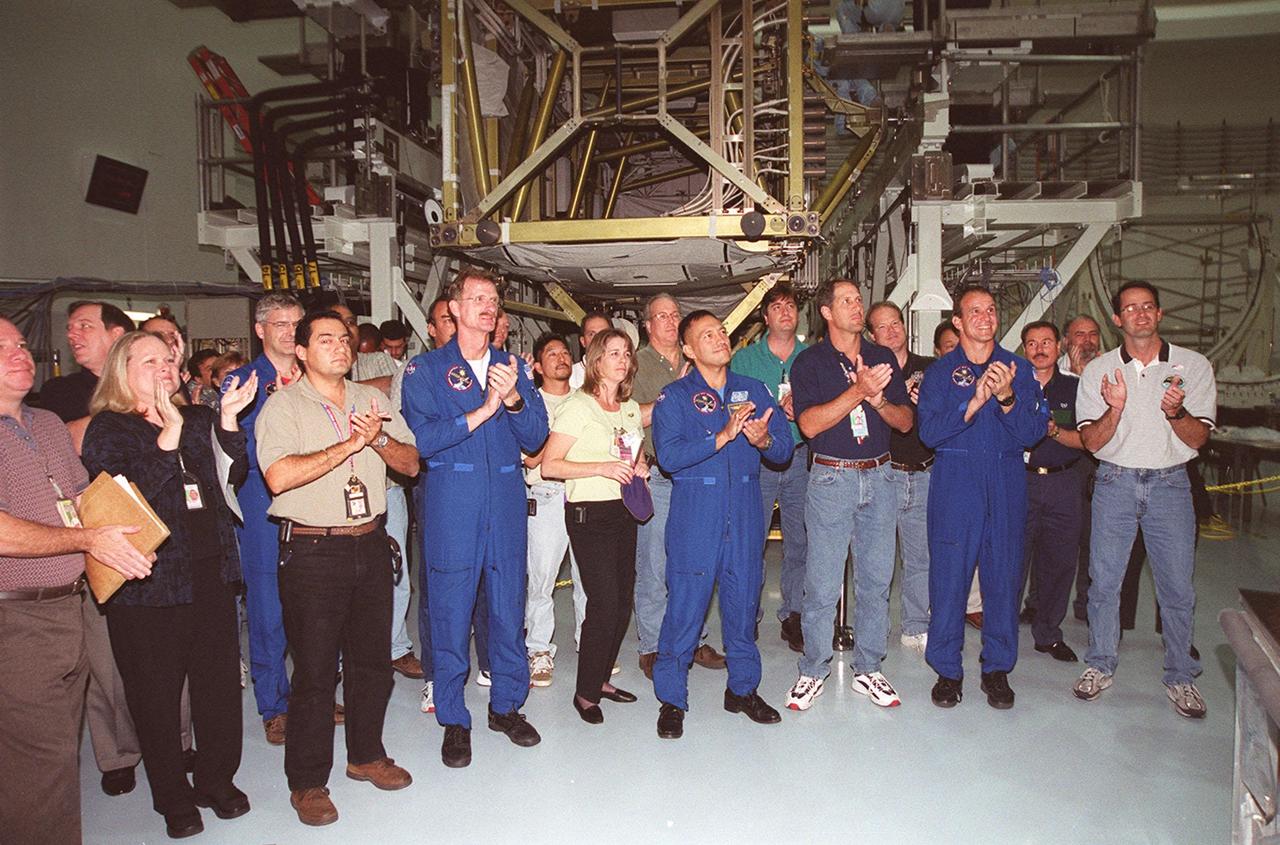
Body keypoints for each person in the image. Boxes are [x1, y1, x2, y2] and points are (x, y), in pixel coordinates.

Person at [82, 330, 257, 838]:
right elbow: (125, 496)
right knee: (155, 696)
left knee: (219, 689)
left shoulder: (198, 416)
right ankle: (171, 796)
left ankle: (217, 780)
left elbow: (234, 475)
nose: (164, 367)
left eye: (168, 359)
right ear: (122, 370)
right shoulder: (109, 428)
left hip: (210, 574)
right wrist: (168, 434)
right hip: (148, 585)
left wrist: (226, 422)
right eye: (150, 360)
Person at [256, 311, 420, 825]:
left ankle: (366, 755)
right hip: (312, 551)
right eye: (324, 339)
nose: (340, 346)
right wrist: (349, 444)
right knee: (315, 674)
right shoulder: (282, 408)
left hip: (370, 542)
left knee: (372, 664)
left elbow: (411, 463)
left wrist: (376, 440)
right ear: (301, 352)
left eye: (344, 338)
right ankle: (307, 783)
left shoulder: (374, 401)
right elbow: (279, 477)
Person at [0, 317, 154, 845]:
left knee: (51, 752)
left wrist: (132, 531)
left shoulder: (44, 423)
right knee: (43, 761)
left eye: (20, 344)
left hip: (72, 605)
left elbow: (81, 498)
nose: (19, 353)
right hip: (15, 615)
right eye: (2, 348)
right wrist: (89, 542)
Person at [400, 268, 549, 769]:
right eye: (476, 298)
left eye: (493, 300)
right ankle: (453, 718)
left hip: (505, 503)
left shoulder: (513, 368)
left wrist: (511, 398)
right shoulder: (425, 371)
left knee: (509, 607)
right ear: (455, 310)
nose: (487, 306)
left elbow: (535, 438)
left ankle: (507, 706)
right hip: (453, 503)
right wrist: (484, 411)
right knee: (449, 614)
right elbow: (420, 440)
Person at [1071, 281, 1216, 719]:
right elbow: (1092, 442)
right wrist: (1115, 408)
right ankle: (1099, 664)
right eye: (1130, 309)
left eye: (1147, 306)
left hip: (1172, 485)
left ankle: (1180, 675)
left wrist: (1176, 412)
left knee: (1177, 587)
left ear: (1160, 313)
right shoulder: (1099, 372)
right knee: (1105, 581)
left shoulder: (1192, 366)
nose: (1140, 314)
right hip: (1115, 482)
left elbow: (1200, 437)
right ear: (1117, 320)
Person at [651, 310, 791, 738]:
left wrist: (762, 440)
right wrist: (723, 437)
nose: (719, 339)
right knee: (685, 609)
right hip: (697, 512)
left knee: (743, 605)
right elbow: (669, 457)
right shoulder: (674, 397)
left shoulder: (754, 391)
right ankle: (672, 699)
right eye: (707, 335)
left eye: (722, 332)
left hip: (746, 510)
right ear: (689, 349)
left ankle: (743, 689)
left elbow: (782, 449)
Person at [783, 281, 913, 713]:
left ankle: (869, 668)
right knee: (822, 582)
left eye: (859, 300)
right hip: (831, 479)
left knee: (877, 580)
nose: (857, 307)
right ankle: (812, 670)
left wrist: (877, 400)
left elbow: (905, 421)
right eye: (847, 301)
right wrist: (857, 391)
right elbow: (810, 426)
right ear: (826, 312)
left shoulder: (880, 358)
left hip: (880, 476)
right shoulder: (809, 364)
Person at [918, 285, 1047, 710]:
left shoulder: (1018, 369)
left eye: (991, 310)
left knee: (1004, 579)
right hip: (956, 482)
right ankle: (947, 671)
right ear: (957, 321)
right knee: (949, 579)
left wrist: (1007, 397)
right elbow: (929, 433)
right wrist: (972, 403)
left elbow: (1032, 433)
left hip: (1006, 480)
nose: (985, 317)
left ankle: (997, 669)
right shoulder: (940, 373)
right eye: (974, 311)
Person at [35, 300, 144, 797]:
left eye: (84, 325)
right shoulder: (60, 393)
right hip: (93, 529)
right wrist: (123, 412)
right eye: (69, 326)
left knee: (164, 642)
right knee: (103, 655)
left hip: (154, 524)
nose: (72, 334)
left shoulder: (153, 378)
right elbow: (55, 444)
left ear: (117, 333)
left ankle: (179, 738)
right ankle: (117, 754)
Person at [540, 328, 648, 723]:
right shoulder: (577, 406)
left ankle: (602, 677)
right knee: (602, 602)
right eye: (613, 352)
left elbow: (632, 452)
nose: (621, 359)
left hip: (623, 511)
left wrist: (640, 466)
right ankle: (585, 691)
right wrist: (601, 467)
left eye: (626, 353)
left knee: (622, 602)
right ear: (596, 361)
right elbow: (550, 465)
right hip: (589, 513)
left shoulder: (630, 408)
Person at [223, 292, 304, 745]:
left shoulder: (315, 373)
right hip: (262, 501)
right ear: (260, 330)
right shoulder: (243, 382)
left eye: (296, 323)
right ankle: (274, 704)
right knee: (268, 606)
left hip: (314, 497)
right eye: (280, 324)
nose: (290, 333)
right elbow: (241, 451)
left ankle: (313, 693)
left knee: (315, 603)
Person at [633, 293, 725, 679]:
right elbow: (627, 415)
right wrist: (674, 398)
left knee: (693, 562)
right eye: (662, 316)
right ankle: (652, 645)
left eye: (675, 315)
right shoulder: (634, 364)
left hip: (695, 474)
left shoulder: (697, 363)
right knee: (654, 564)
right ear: (648, 325)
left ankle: (694, 637)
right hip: (656, 474)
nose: (670, 322)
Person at [329, 303, 422, 679]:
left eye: (350, 323)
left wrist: (353, 391)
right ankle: (336, 658)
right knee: (336, 582)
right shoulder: (302, 388)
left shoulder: (379, 364)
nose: (345, 332)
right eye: (335, 328)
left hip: (386, 488)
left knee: (394, 570)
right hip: (334, 493)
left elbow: (393, 389)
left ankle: (396, 646)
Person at [730, 284, 810, 653]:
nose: (784, 312)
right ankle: (748, 614)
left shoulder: (812, 358)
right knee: (751, 541)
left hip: (801, 457)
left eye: (790, 306)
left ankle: (794, 614)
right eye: (776, 307)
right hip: (756, 460)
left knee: (801, 542)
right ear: (765, 317)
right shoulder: (744, 361)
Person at [521, 333, 588, 688]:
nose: (561, 358)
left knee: (588, 579)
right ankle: (539, 649)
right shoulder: (529, 404)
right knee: (542, 579)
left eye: (565, 353)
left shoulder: (586, 401)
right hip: (546, 496)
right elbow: (533, 458)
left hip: (585, 493)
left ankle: (590, 646)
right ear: (536, 365)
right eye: (552, 353)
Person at [867, 301, 933, 657]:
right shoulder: (870, 374)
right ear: (872, 335)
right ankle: (875, 630)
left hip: (923, 472)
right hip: (883, 474)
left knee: (919, 557)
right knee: (877, 559)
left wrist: (926, 401)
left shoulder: (930, 368)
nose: (891, 330)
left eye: (896, 323)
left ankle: (915, 626)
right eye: (882, 326)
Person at [1019, 321, 1085, 663]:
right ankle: (1001, 637)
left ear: (1059, 346)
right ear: (1024, 349)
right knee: (1012, 562)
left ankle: (1048, 634)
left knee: (1059, 563)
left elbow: (1088, 439)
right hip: (1020, 481)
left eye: (1046, 342)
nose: (1039, 348)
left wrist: (1055, 431)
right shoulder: (1012, 386)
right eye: (1031, 343)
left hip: (1063, 483)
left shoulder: (1077, 388)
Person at [935, 319, 984, 629]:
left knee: (976, 542)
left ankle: (973, 605)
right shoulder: (934, 380)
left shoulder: (983, 379)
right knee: (942, 544)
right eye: (950, 347)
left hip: (975, 469)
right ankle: (941, 607)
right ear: (939, 352)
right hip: (939, 470)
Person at [1059, 314, 1105, 622]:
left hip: (1098, 462)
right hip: (1061, 461)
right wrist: (1078, 377)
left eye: (1092, 335)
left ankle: (1086, 604)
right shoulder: (1053, 369)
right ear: (1066, 341)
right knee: (1055, 541)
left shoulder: (1112, 369)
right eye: (1079, 335)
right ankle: (1039, 605)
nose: (1086, 341)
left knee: (1094, 537)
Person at [569, 311, 613, 390]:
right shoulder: (570, 376)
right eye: (592, 334)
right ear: (583, 341)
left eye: (604, 333)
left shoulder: (621, 371)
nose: (599, 339)